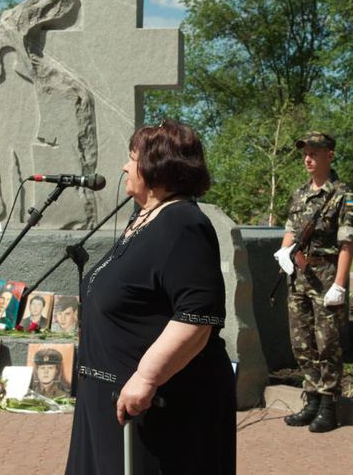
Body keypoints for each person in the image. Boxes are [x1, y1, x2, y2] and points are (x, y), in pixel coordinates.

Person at [65, 120, 236, 474]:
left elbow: (197, 317)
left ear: (157, 166)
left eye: (132, 158)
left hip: (156, 410)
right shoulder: (144, 219)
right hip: (109, 401)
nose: (125, 167)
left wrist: (146, 377)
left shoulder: (184, 225)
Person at [274, 132, 353, 433]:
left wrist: (340, 284)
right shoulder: (299, 193)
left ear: (330, 155)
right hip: (299, 275)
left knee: (328, 344)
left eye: (315, 152)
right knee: (301, 341)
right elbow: (291, 228)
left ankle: (328, 404)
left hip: (325, 276)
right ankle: (311, 398)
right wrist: (285, 252)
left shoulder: (343, 195)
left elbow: (348, 242)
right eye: (305, 153)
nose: (308, 158)